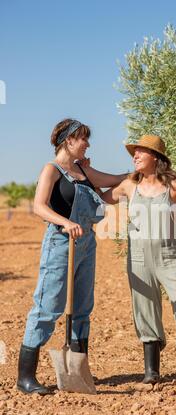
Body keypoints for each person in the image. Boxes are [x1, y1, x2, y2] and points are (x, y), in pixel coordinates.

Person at [99, 134, 176, 384]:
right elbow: (98, 200)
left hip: (171, 256)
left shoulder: (175, 186)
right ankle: (151, 371)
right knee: (145, 309)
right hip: (139, 259)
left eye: (140, 152)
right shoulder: (128, 186)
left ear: (155, 157)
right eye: (134, 152)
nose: (134, 156)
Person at [17, 119, 128, 395]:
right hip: (60, 243)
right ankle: (25, 378)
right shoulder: (51, 170)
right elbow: (39, 207)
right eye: (83, 139)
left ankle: (78, 373)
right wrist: (65, 222)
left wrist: (139, 173)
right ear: (69, 141)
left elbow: (113, 181)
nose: (87, 144)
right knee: (48, 305)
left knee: (82, 306)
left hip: (87, 243)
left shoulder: (83, 170)